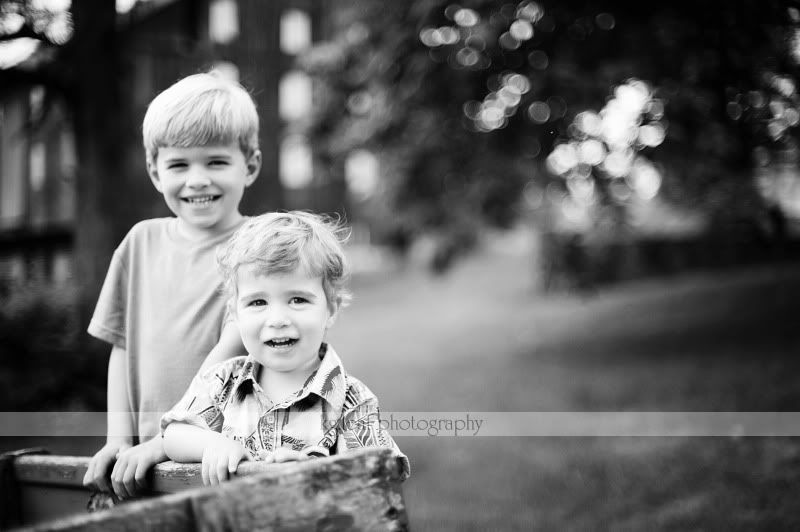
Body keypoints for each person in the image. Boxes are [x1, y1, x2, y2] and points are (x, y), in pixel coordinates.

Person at [82, 71, 262, 499]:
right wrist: (119, 439)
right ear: (155, 171)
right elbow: (121, 348)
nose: (197, 180)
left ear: (250, 165)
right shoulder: (139, 243)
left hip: (223, 457)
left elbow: (226, 358)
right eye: (179, 164)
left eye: (216, 162)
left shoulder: (261, 251)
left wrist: (166, 444)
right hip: (142, 459)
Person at [161, 212, 410, 484]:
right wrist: (212, 444)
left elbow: (381, 477)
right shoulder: (222, 382)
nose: (278, 319)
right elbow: (173, 435)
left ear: (331, 309)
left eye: (297, 299)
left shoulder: (352, 401)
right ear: (234, 313)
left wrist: (314, 474)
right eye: (258, 303)